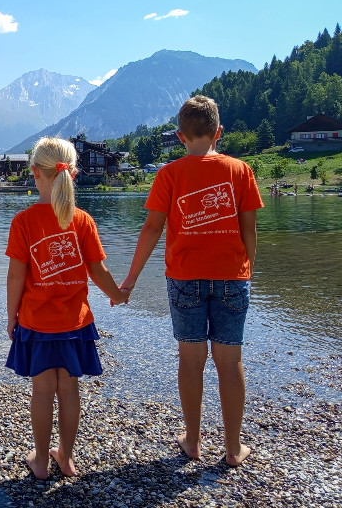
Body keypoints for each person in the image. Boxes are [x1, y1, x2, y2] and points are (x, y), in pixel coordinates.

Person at [120, 95, 264, 467]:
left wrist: (130, 280)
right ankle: (233, 449)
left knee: (190, 359)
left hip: (184, 279)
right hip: (232, 278)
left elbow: (152, 228)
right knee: (230, 362)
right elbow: (249, 230)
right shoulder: (240, 170)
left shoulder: (169, 174)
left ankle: (194, 441)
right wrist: (246, 269)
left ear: (181, 136)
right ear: (219, 132)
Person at [5, 137, 128, 480]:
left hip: (37, 324)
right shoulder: (83, 221)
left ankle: (41, 462)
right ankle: (67, 457)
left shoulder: (24, 222)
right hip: (75, 325)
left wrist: (12, 316)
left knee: (43, 392)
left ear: (34, 173)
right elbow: (98, 271)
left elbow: (15, 276)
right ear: (72, 174)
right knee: (70, 391)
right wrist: (118, 294)